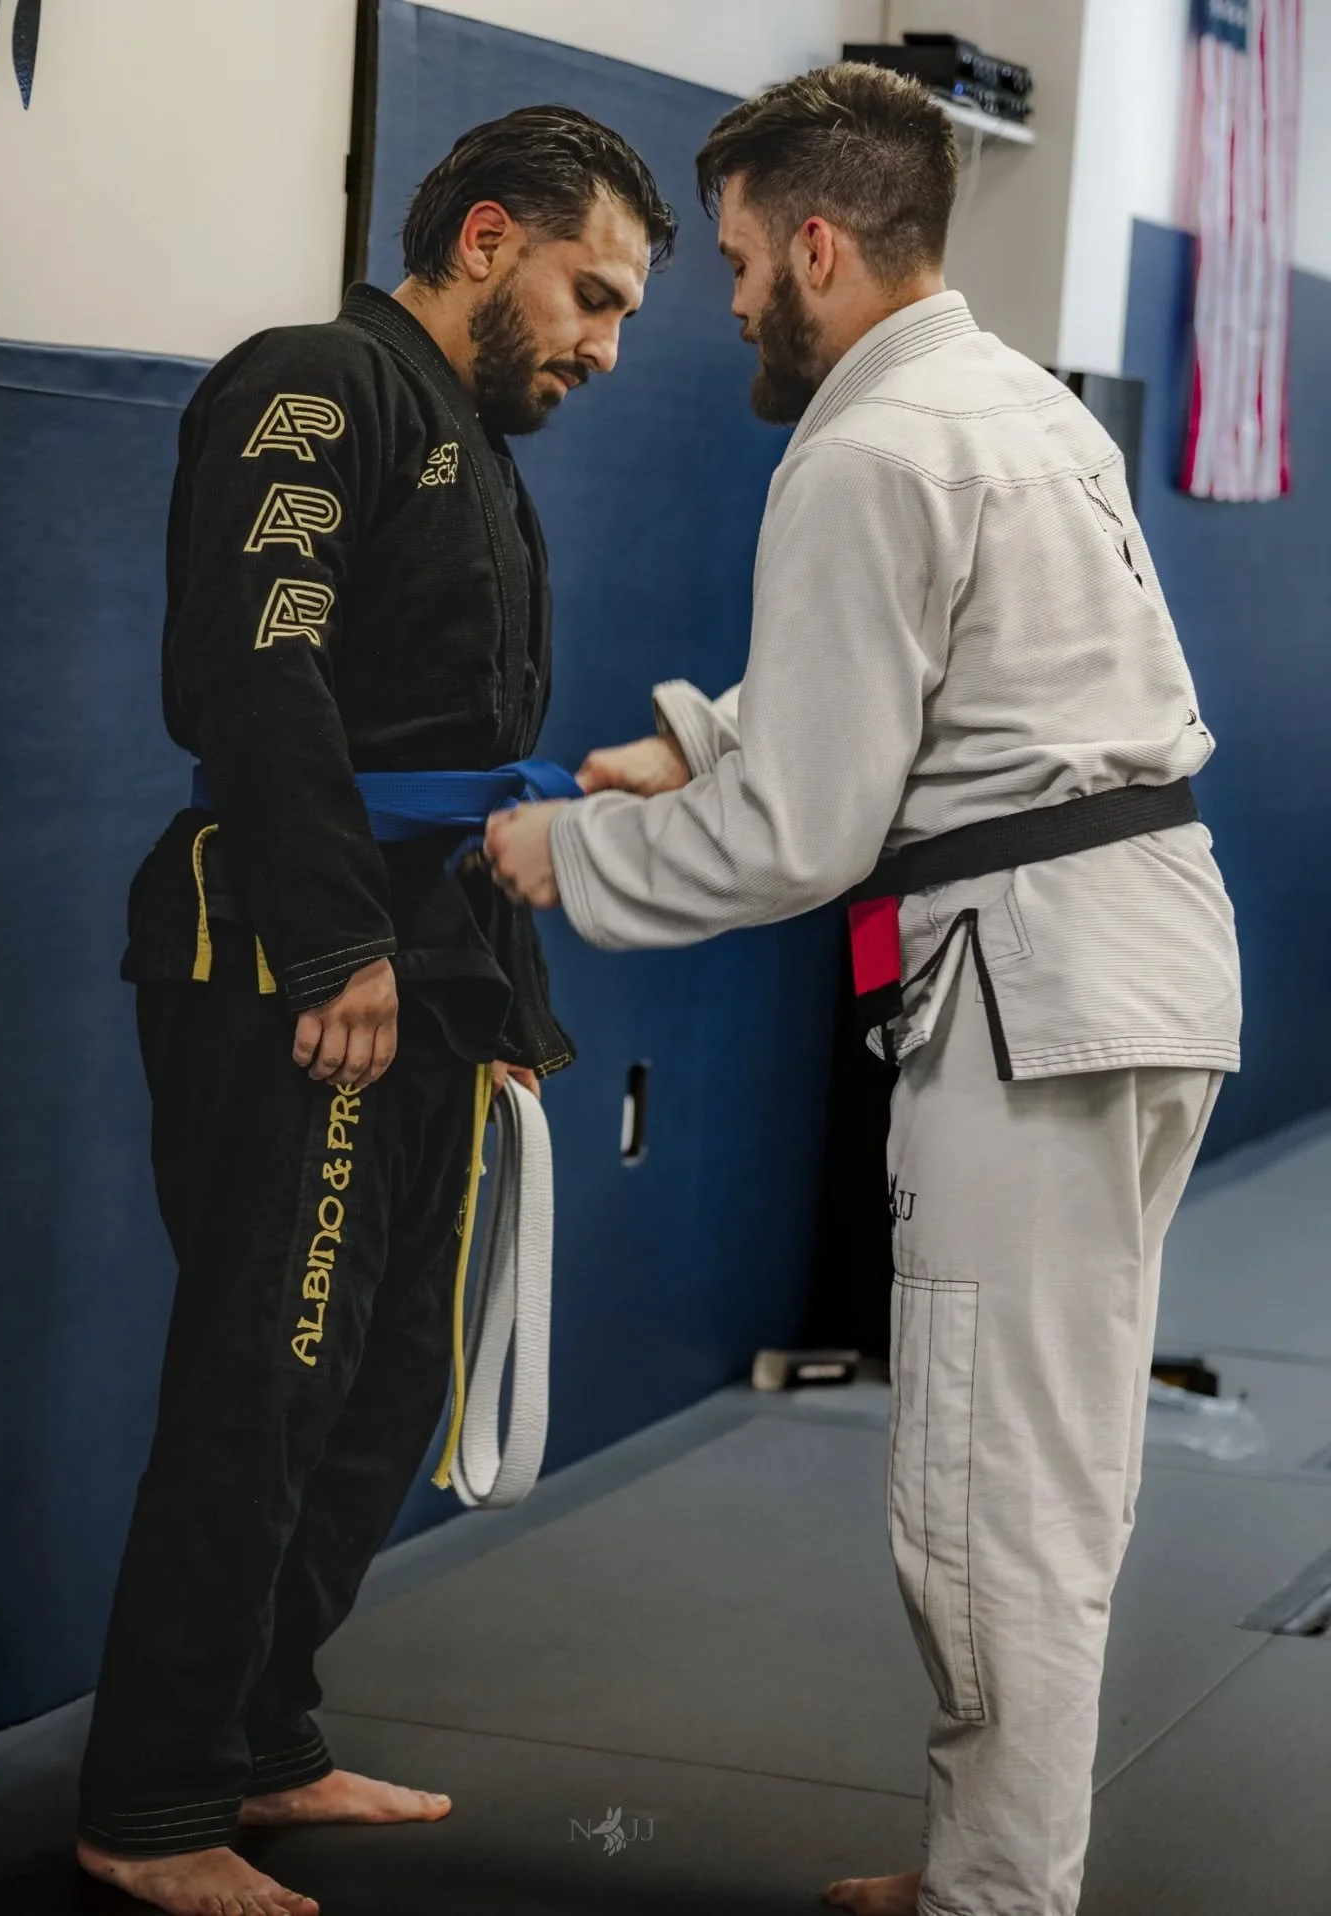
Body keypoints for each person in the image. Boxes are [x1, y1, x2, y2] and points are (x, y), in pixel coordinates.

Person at [487, 63, 1240, 1916]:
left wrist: (563, 862)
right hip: (1135, 963)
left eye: (742, 258)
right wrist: (691, 742)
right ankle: (993, 1863)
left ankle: (1000, 1898)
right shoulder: (1014, 409)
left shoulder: (866, 445)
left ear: (818, 245)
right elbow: (938, 681)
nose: (731, 296)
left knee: (993, 1486)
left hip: (1038, 995)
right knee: (1047, 1460)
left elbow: (802, 836)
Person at [77, 108, 674, 1916]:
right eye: (594, 293)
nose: (605, 345)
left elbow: (466, 762)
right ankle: (155, 1805)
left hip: (437, 966)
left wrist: (498, 989)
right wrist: (337, 945)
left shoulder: (477, 450)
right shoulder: (316, 386)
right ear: (485, 238)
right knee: (268, 1376)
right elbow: (254, 670)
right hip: (292, 958)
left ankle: (262, 1736)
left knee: (384, 1377)